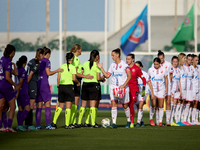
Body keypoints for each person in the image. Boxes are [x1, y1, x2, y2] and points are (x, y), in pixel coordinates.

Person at [97, 48, 132, 129]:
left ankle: (128, 121)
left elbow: (129, 76)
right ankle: (114, 123)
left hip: (123, 88)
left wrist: (123, 85)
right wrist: (101, 68)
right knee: (113, 104)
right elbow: (107, 75)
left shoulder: (124, 64)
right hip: (113, 87)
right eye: (111, 55)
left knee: (125, 105)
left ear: (117, 55)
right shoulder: (112, 65)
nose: (112, 57)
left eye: (113, 55)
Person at [35, 47, 63, 130]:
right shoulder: (46, 61)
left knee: (39, 106)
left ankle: (38, 125)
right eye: (49, 54)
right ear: (47, 54)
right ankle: (48, 125)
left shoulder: (36, 60)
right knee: (47, 104)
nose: (50, 56)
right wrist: (57, 70)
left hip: (37, 84)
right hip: (44, 84)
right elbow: (48, 73)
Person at [51, 52, 80, 129]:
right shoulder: (73, 67)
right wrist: (78, 83)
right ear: (72, 59)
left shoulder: (62, 66)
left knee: (60, 106)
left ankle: (53, 123)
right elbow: (74, 78)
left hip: (61, 87)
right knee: (68, 107)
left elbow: (58, 78)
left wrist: (58, 86)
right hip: (69, 87)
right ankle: (67, 125)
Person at [70, 44, 93, 128]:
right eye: (81, 49)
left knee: (73, 103)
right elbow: (75, 73)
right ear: (78, 50)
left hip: (73, 81)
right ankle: (73, 122)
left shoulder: (73, 58)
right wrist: (85, 76)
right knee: (75, 103)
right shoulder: (75, 59)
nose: (81, 51)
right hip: (76, 81)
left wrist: (81, 72)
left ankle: (71, 122)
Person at [77, 50, 101, 128]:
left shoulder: (85, 63)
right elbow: (98, 78)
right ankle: (92, 123)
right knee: (92, 106)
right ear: (97, 56)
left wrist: (85, 76)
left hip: (85, 84)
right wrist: (102, 78)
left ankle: (80, 122)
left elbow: (79, 73)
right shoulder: (97, 65)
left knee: (83, 105)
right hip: (94, 85)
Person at [0, 44, 19, 132]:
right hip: (6, 86)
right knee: (13, 106)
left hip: (0, 85)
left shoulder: (2, 59)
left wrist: (13, 64)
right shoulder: (7, 61)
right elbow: (8, 77)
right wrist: (15, 85)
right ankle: (9, 126)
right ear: (12, 52)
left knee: (1, 107)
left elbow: (15, 73)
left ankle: (1, 126)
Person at [25, 48, 44, 130]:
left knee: (28, 105)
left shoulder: (31, 61)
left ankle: (26, 124)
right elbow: (30, 74)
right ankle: (29, 124)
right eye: (43, 55)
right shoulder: (36, 64)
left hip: (30, 84)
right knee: (31, 105)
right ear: (41, 54)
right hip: (32, 84)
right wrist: (26, 84)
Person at [126, 54, 146, 128]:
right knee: (126, 105)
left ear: (133, 59)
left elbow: (143, 79)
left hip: (134, 88)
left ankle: (131, 122)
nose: (127, 60)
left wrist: (143, 89)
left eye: (128, 59)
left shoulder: (137, 68)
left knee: (131, 104)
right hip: (126, 88)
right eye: (126, 59)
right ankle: (130, 120)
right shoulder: (125, 67)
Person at [148, 57, 168, 127]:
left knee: (161, 106)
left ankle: (160, 122)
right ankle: (151, 118)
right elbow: (148, 79)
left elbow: (166, 78)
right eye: (154, 64)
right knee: (153, 104)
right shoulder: (150, 70)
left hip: (161, 89)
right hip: (153, 89)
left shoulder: (163, 69)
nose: (155, 65)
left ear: (159, 63)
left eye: (157, 64)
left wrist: (167, 88)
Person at [134, 61, 154, 127]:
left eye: (137, 66)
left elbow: (149, 83)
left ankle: (138, 122)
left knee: (140, 106)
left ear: (141, 67)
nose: (136, 67)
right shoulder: (133, 74)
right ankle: (141, 121)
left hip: (143, 91)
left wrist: (152, 93)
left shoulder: (144, 74)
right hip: (136, 92)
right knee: (138, 107)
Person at [15, 56, 31, 131]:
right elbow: (21, 83)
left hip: (18, 91)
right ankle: (20, 125)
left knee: (20, 109)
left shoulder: (17, 70)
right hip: (23, 92)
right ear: (25, 62)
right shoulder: (23, 71)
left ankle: (19, 125)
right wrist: (18, 92)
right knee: (27, 108)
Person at [169, 56, 182, 126]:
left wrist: (181, 91)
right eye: (174, 62)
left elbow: (179, 81)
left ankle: (175, 120)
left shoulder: (179, 70)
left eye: (176, 62)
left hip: (177, 90)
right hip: (171, 90)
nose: (175, 63)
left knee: (175, 106)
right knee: (171, 105)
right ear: (172, 62)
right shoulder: (170, 69)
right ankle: (170, 120)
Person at [182, 54, 193, 125]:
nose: (190, 61)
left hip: (190, 88)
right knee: (183, 103)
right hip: (184, 88)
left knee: (189, 103)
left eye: (191, 60)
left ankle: (186, 119)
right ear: (186, 59)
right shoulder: (183, 67)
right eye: (188, 59)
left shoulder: (192, 68)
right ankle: (181, 119)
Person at [177, 53, 187, 125]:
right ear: (181, 58)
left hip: (185, 87)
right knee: (178, 103)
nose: (185, 59)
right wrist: (180, 89)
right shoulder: (178, 67)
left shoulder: (184, 67)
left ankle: (181, 119)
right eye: (184, 58)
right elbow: (179, 79)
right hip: (179, 87)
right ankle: (177, 119)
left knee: (182, 103)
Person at [190, 55, 199, 125]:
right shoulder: (190, 68)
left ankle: (195, 119)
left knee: (196, 103)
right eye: (195, 60)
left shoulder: (198, 68)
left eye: (197, 60)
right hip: (192, 88)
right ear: (192, 60)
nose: (197, 61)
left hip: (198, 88)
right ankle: (189, 119)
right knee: (191, 104)